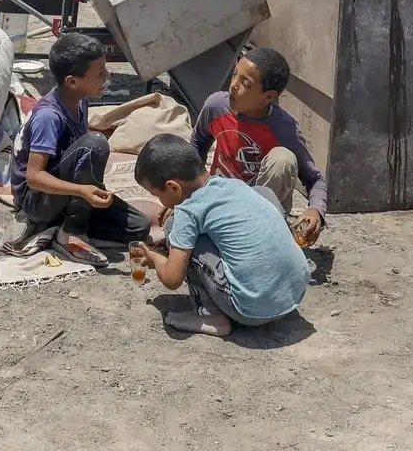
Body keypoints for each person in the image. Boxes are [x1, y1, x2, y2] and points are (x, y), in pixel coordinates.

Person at [132, 133, 311, 337]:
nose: (160, 201)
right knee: (263, 193)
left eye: (158, 195)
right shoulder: (234, 185)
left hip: (251, 310)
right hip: (293, 294)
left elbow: (172, 279)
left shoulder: (188, 211)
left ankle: (210, 316)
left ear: (173, 187)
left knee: (176, 229)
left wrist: (156, 258)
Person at [8, 33, 151, 266]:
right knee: (95, 143)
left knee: (139, 228)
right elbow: (34, 177)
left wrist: (88, 191)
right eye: (100, 73)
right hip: (37, 201)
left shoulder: (80, 100)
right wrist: (82, 191)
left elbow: (78, 160)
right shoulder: (49, 117)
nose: (107, 77)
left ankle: (69, 219)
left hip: (67, 194)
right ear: (72, 81)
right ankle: (70, 232)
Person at [190, 47, 327, 245]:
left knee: (283, 159)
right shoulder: (216, 106)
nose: (234, 86)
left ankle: (260, 234)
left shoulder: (283, 127)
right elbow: (197, 142)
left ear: (268, 97)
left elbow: (315, 179)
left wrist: (315, 210)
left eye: (245, 84)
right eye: (235, 75)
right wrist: (190, 189)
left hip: (261, 207)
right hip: (221, 199)